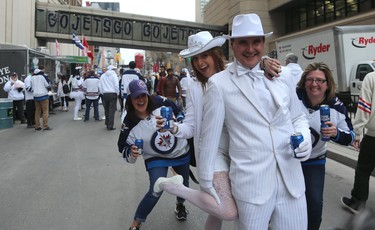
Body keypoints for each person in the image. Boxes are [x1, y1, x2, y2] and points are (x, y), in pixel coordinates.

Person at [153, 31, 282, 230]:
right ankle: (173, 186)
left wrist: (263, 60)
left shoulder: (234, 73)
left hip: (242, 150)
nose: (200, 62)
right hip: (213, 154)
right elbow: (190, 127)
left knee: (227, 210)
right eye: (195, 58)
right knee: (228, 210)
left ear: (215, 54)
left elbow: (252, 64)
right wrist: (172, 127)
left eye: (204, 55)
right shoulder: (195, 87)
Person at [198, 14, 312, 229]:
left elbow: (298, 117)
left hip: (292, 181)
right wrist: (206, 181)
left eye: (256, 42)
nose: (250, 49)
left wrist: (305, 138)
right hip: (251, 186)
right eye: (243, 42)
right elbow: (209, 140)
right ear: (233, 45)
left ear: (263, 43)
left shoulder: (283, 74)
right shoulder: (218, 84)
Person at [117, 80, 190, 230]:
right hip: (156, 158)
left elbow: (181, 114)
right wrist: (132, 152)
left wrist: (176, 124)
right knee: (155, 189)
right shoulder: (129, 123)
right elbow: (123, 148)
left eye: (144, 95)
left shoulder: (160, 102)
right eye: (136, 97)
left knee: (184, 186)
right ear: (130, 99)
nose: (141, 100)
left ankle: (180, 205)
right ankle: (136, 223)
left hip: (180, 152)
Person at [296, 62, 355, 230]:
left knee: (314, 203)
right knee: (283, 201)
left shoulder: (336, 107)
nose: (314, 84)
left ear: (327, 84)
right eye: (310, 79)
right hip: (289, 160)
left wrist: (336, 133)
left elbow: (350, 137)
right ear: (304, 81)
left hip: (315, 160)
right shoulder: (294, 97)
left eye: (320, 80)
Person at [341, 71, 375, 214]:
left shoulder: (371, 77)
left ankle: (357, 202)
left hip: (373, 136)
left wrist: (357, 133)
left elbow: (364, 107)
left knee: (363, 169)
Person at [99, 65, 119, 130]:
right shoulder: (114, 75)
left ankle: (107, 123)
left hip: (105, 94)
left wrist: (102, 92)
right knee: (112, 110)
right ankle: (110, 125)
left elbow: (100, 85)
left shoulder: (103, 76)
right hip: (113, 94)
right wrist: (117, 93)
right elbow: (116, 85)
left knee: (106, 109)